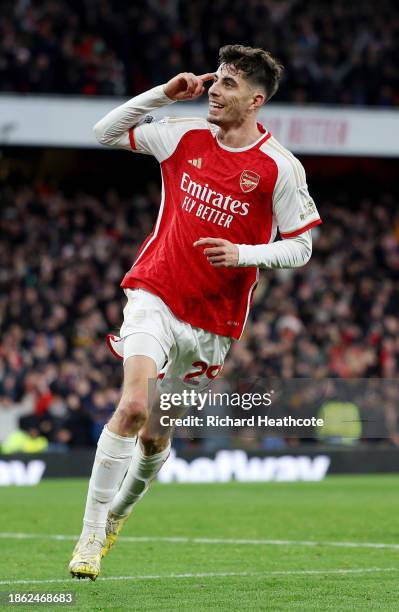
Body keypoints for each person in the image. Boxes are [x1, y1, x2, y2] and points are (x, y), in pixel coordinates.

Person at [69, 44, 321, 580]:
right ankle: (89, 536)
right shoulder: (182, 133)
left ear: (255, 100)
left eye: (228, 84)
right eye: (216, 79)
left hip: (212, 324)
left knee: (158, 435)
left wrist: (245, 254)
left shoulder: (279, 167)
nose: (214, 89)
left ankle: (117, 517)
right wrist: (162, 93)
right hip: (154, 294)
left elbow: (301, 246)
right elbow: (104, 133)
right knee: (133, 406)